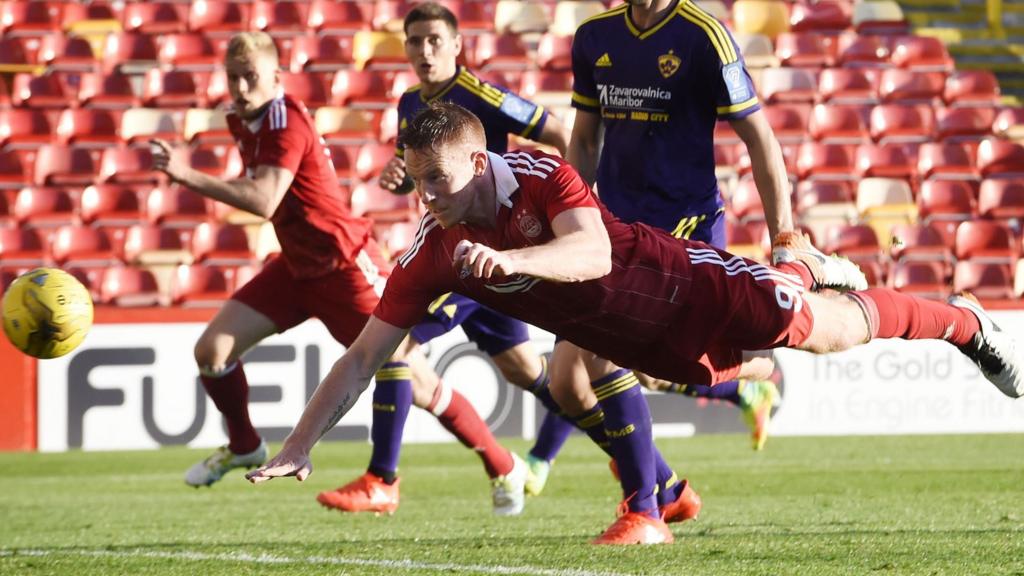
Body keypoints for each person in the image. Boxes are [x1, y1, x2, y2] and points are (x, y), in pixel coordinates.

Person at [245, 103, 1024, 545]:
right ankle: (799, 269)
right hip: (646, 340)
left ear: (479, 166)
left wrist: (516, 267)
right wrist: (299, 446)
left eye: (439, 182)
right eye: (417, 186)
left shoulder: (541, 174)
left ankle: (962, 323)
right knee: (679, 372)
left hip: (689, 282)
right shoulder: (435, 251)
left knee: (831, 334)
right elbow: (363, 356)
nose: (429, 200)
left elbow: (586, 254)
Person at [153, 33, 528, 516]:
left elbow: (264, 198)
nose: (242, 87)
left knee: (409, 372)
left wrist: (185, 175)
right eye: (233, 77)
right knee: (212, 350)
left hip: (342, 262)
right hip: (295, 266)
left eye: (251, 77)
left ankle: (502, 465)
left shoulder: (285, 121)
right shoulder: (242, 119)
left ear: (276, 78)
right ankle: (245, 445)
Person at [519, 0, 833, 484]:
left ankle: (647, 501)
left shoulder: (705, 35)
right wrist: (568, 219)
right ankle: (681, 460)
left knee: (613, 360)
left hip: (682, 228)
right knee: (566, 384)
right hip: (611, 227)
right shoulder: (594, 37)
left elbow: (761, 138)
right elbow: (583, 140)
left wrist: (784, 235)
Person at [316, 2, 576, 514]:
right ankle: (637, 456)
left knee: (397, 345)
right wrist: (398, 173)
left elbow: (559, 132)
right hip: (455, 250)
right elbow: (421, 168)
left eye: (435, 40)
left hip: (484, 253)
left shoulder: (481, 95)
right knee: (525, 371)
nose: (424, 50)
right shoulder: (410, 102)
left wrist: (566, 209)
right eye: (415, 41)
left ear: (457, 46)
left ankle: (382, 479)